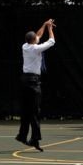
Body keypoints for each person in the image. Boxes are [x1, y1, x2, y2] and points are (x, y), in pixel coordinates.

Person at [15, 18, 55, 152]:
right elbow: (51, 41)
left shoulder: (25, 46)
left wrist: (44, 24)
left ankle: (22, 135)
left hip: (24, 81)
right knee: (35, 111)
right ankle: (34, 138)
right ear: (33, 41)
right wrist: (50, 28)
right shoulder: (36, 49)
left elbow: (37, 35)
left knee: (26, 110)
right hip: (33, 82)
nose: (38, 38)